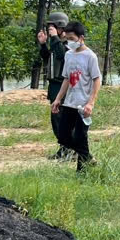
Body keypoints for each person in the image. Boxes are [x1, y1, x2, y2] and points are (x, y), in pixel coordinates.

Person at [49, 21, 101, 173]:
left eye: (72, 39)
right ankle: (87, 156)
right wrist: (58, 99)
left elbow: (97, 79)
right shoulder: (69, 55)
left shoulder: (90, 56)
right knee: (63, 136)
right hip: (69, 102)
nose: (69, 42)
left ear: (81, 38)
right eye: (67, 39)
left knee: (80, 137)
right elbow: (66, 78)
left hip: (83, 105)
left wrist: (91, 103)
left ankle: (82, 172)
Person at [37, 11, 73, 160]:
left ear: (60, 26)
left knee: (62, 118)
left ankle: (69, 149)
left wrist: (54, 38)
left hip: (63, 85)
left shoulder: (69, 43)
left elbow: (62, 55)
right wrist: (43, 44)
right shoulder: (56, 42)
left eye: (52, 26)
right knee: (56, 119)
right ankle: (65, 148)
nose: (50, 29)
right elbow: (48, 58)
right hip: (54, 85)